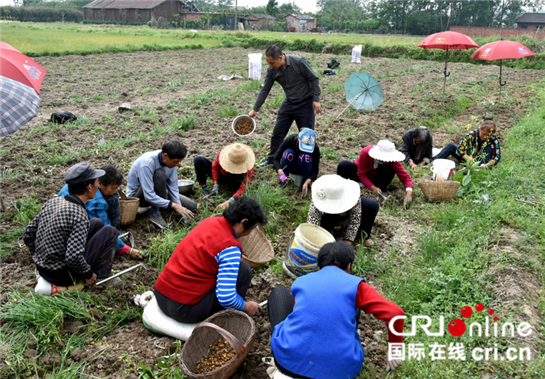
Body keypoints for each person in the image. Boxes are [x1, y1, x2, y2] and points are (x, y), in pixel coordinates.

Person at [268, 242, 405, 379]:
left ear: (319, 266)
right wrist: (395, 348)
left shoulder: (301, 282)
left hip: (288, 363)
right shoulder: (356, 286)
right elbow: (395, 313)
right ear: (349, 266)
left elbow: (297, 314)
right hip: (341, 372)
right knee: (352, 305)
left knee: (279, 293)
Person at [154, 196, 267, 323]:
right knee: (244, 270)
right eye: (251, 229)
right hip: (184, 310)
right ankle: (231, 318)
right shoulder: (230, 247)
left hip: (161, 295)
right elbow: (226, 297)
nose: (250, 233)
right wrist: (246, 307)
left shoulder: (209, 222)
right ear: (243, 222)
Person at [23, 163, 118, 287]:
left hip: (44, 268)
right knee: (110, 231)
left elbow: (28, 233)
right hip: (62, 276)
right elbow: (73, 257)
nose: (98, 185)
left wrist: (39, 259)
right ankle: (98, 278)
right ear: (89, 187)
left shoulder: (54, 202)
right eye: (97, 182)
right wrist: (88, 274)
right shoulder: (78, 214)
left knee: (97, 223)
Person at [248, 45, 321, 167]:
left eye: (272, 62)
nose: (270, 66)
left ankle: (307, 161)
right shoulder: (272, 70)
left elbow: (314, 79)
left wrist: (316, 99)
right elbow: (265, 89)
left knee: (306, 136)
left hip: (305, 103)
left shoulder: (298, 62)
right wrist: (255, 109)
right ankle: (272, 159)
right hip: (289, 102)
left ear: (281, 58)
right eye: (268, 63)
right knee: (278, 132)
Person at [58, 165, 143, 259]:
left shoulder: (79, 183)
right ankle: (113, 239)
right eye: (112, 188)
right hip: (69, 243)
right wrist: (127, 250)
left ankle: (115, 234)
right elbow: (104, 226)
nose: (114, 191)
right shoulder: (95, 201)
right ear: (99, 184)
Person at [126, 139, 197, 227]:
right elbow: (148, 195)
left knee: (192, 206)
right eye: (176, 162)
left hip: (159, 192)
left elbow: (173, 188)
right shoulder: (147, 163)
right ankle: (155, 210)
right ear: (165, 156)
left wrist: (178, 206)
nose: (177, 165)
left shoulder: (171, 162)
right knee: (160, 173)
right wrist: (173, 205)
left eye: (179, 162)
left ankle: (162, 206)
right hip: (140, 197)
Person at [307, 175, 378, 248]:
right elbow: (312, 220)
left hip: (345, 215)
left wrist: (348, 242)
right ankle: (328, 231)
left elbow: (355, 220)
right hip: (328, 217)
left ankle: (359, 236)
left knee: (372, 205)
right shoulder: (320, 197)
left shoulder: (352, 196)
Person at [337, 140, 414, 206]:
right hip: (359, 174)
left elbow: (405, 177)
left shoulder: (392, 160)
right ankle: (347, 186)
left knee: (390, 171)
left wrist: (409, 192)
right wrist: (372, 187)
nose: (387, 160)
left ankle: (378, 189)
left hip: (376, 179)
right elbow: (361, 173)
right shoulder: (366, 152)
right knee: (344, 165)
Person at [194, 143, 255, 210]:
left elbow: (244, 186)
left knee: (238, 199)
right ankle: (205, 190)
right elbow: (215, 167)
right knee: (198, 160)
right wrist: (215, 184)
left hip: (235, 179)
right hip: (222, 175)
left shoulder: (249, 166)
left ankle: (234, 194)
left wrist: (229, 201)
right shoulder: (222, 154)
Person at [272, 128, 321, 196]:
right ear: (298, 138)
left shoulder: (315, 148)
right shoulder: (291, 140)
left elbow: (315, 170)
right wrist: (281, 174)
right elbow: (275, 158)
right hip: (290, 165)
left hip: (304, 167)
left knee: (305, 157)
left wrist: (307, 182)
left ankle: (303, 183)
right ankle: (284, 182)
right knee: (288, 153)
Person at [434, 118, 501, 167]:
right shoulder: (471, 135)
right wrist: (467, 157)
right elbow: (459, 149)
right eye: (483, 134)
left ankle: (479, 169)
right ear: (480, 129)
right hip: (468, 159)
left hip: (482, 163)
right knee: (450, 147)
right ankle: (434, 163)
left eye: (488, 135)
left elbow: (497, 157)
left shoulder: (494, 140)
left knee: (488, 147)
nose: (485, 137)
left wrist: (487, 165)